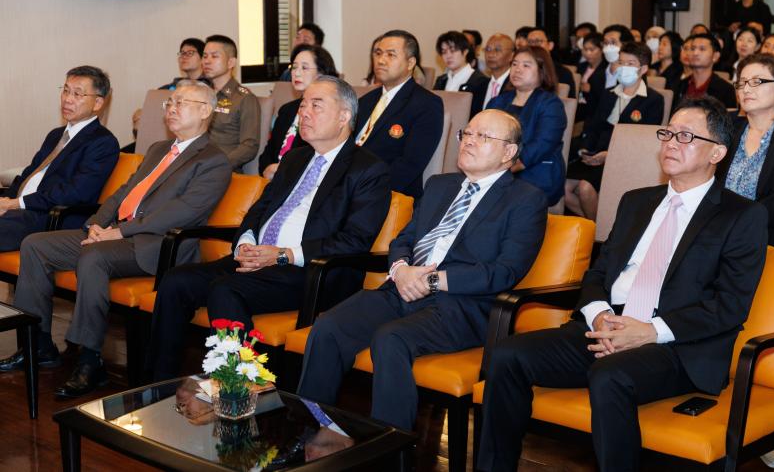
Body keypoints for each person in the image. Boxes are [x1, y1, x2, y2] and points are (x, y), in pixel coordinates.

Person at [477, 96, 769, 472]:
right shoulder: (637, 202)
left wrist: (649, 331)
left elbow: (729, 305)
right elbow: (598, 274)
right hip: (606, 327)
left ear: (717, 152)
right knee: (507, 355)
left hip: (676, 345)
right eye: (667, 134)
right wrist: (600, 316)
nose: (670, 143)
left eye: (685, 136)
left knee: (610, 375)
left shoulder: (741, 215)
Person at [297, 109, 549, 432]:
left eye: (483, 136)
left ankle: (390, 450)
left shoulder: (525, 200)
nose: (469, 141)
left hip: (460, 307)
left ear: (508, 152)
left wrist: (431, 281)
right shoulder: (440, 185)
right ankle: (314, 430)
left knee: (391, 338)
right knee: (329, 327)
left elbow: (505, 272)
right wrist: (401, 269)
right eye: (466, 134)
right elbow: (404, 239)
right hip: (402, 288)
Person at [147, 76, 391, 382]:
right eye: (302, 105)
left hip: (312, 272)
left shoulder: (368, 169)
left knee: (226, 289)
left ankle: (236, 392)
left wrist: (283, 254)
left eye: (316, 105)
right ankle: (158, 385)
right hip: (258, 261)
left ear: (344, 116)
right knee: (176, 281)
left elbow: (355, 240)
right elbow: (260, 209)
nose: (304, 112)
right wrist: (245, 243)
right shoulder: (295, 158)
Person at [1, 80, 232, 397]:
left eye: (181, 103)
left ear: (205, 111)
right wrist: (96, 224)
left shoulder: (214, 161)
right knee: (36, 245)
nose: (171, 109)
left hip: (156, 246)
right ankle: (38, 345)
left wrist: (120, 231)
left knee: (94, 257)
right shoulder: (158, 149)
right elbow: (123, 193)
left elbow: (182, 213)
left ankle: (90, 359)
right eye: (170, 103)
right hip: (114, 235)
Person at [0, 66, 119, 251]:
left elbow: (75, 193)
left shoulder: (103, 142)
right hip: (22, 208)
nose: (67, 99)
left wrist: (16, 203)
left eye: (77, 94)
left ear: (97, 103)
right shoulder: (56, 135)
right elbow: (29, 174)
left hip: (51, 217)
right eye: (65, 91)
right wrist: (6, 200)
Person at [566, 42, 664, 220]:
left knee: (585, 188)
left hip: (624, 158)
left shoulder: (653, 100)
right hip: (596, 154)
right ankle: (598, 226)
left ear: (643, 69)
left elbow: (643, 141)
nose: (623, 67)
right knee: (562, 187)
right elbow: (593, 126)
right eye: (621, 62)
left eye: (630, 64)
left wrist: (609, 155)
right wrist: (585, 150)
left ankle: (599, 231)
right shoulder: (609, 93)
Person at [719, 53, 774, 248]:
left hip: (768, 240)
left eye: (757, 82)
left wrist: (740, 220)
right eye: (742, 83)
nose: (746, 89)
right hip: (718, 233)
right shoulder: (727, 131)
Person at [355, 30, 444, 198]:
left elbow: (410, 164)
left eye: (391, 55)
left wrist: (362, 190)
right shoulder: (365, 100)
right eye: (378, 53)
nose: (381, 60)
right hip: (349, 187)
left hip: (385, 194)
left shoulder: (427, 104)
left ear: (410, 63)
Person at [487, 46, 567, 206]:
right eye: (514, 64)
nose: (518, 69)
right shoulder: (498, 101)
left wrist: (499, 170)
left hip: (536, 174)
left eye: (526, 65)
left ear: (542, 71)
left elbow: (542, 145)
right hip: (497, 172)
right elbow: (484, 136)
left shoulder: (551, 104)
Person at [257, 44, 338, 179]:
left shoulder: (327, 113)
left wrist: (281, 170)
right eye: (294, 67)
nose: (296, 73)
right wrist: (267, 169)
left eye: (304, 68)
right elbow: (267, 155)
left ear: (321, 73)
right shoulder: (287, 110)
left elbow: (318, 158)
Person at [202, 34, 261, 171]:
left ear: (231, 62)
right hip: (198, 165)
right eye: (205, 56)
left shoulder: (244, 98)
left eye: (214, 56)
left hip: (221, 170)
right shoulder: (202, 94)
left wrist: (219, 166)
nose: (207, 61)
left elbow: (249, 146)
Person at [674, 34, 738, 109]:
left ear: (715, 56)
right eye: (693, 49)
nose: (695, 53)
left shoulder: (725, 89)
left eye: (702, 49)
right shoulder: (681, 85)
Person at [432, 31, 488, 105]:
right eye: (444, 52)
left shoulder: (480, 81)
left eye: (453, 51)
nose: (448, 56)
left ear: (465, 52)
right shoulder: (441, 80)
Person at [526, 27, 576, 98]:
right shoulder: (521, 70)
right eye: (529, 42)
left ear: (550, 45)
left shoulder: (562, 73)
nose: (533, 45)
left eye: (538, 41)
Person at [474, 33, 514, 113]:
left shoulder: (515, 86)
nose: (491, 54)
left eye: (497, 49)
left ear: (512, 55)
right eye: (488, 49)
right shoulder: (479, 85)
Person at [576, 32, 607, 123]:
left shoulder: (606, 69)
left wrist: (591, 89)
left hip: (595, 110)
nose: (587, 53)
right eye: (585, 49)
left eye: (592, 49)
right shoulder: (581, 66)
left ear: (602, 49)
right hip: (579, 107)